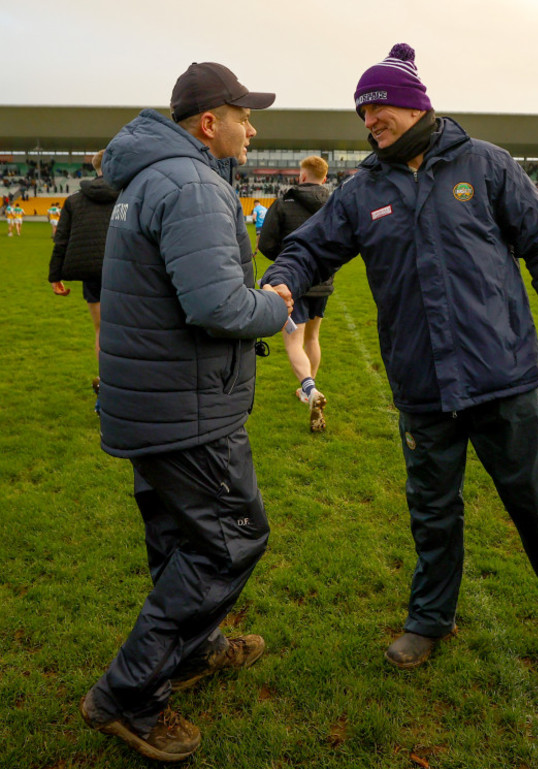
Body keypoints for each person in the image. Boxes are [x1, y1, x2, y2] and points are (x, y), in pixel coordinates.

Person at [262, 43, 538, 673]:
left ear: (415, 103)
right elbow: (308, 249)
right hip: (421, 385)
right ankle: (430, 618)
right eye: (361, 114)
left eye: (378, 107)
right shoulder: (363, 189)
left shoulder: (487, 164)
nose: (369, 121)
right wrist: (285, 277)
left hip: (504, 375)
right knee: (432, 512)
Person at [79, 62, 289, 762]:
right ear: (210, 123)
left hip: (151, 403)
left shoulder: (148, 177)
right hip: (185, 408)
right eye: (243, 115)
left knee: (177, 537)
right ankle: (130, 694)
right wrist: (274, 306)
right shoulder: (194, 183)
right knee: (229, 539)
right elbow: (217, 305)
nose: (251, 128)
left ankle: (195, 650)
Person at [258, 155, 331, 432]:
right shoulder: (332, 203)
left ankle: (310, 390)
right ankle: (307, 390)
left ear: (301, 177)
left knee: (293, 341)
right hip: (322, 280)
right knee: (313, 337)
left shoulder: (284, 201)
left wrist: (285, 263)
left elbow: (266, 242)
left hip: (289, 281)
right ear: (324, 179)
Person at [48, 151, 119, 412]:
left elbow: (61, 240)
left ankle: (106, 393)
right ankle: (130, 391)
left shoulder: (74, 200)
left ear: (95, 167)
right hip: (126, 272)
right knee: (131, 331)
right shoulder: (130, 196)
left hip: (92, 272)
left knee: (102, 331)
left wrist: (55, 276)